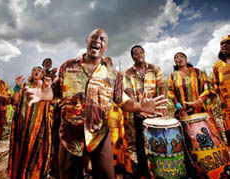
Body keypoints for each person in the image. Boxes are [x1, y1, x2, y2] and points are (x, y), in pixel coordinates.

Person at [25, 28, 167, 179]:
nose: (98, 40)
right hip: (70, 136)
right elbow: (54, 90)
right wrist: (42, 94)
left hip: (99, 135)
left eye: (102, 39)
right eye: (94, 37)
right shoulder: (67, 67)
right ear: (87, 41)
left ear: (105, 47)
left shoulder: (113, 74)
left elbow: (121, 100)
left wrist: (139, 106)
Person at [123, 45, 166, 179]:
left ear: (144, 53)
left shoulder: (154, 68)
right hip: (139, 111)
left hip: (155, 109)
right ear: (132, 57)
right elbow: (129, 92)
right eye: (135, 53)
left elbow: (162, 87)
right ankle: (144, 171)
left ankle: (161, 167)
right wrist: (139, 108)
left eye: (140, 52)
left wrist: (161, 104)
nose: (138, 54)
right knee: (141, 141)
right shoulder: (128, 73)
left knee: (158, 138)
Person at [8, 66, 52, 179]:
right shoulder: (24, 86)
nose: (36, 72)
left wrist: (49, 86)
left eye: (39, 71)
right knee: (20, 150)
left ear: (43, 74)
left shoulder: (45, 86)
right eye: (34, 70)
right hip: (22, 124)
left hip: (38, 126)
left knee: (34, 152)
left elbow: (52, 100)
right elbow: (15, 101)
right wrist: (17, 87)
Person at [168, 52, 214, 118]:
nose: (179, 58)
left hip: (201, 110)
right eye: (176, 57)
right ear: (175, 62)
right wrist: (179, 108)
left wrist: (199, 101)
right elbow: (170, 92)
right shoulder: (173, 76)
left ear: (186, 60)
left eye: (181, 56)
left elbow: (208, 87)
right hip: (184, 113)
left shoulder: (198, 72)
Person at [212, 35, 230, 147]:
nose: (225, 45)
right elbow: (215, 86)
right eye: (222, 44)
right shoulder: (217, 65)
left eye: (228, 42)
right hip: (227, 109)